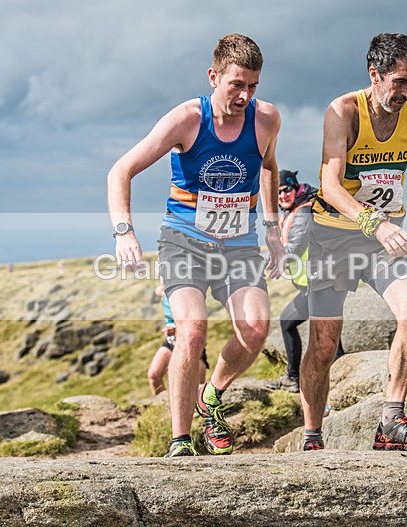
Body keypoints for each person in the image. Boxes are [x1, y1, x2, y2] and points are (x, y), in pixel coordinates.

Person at [108, 34, 284, 457]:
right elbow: (120, 170)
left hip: (239, 244)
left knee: (256, 328)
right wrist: (123, 231)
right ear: (213, 76)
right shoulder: (187, 119)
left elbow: (269, 167)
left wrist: (274, 229)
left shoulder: (266, 119)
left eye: (253, 86)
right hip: (184, 241)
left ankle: (212, 397)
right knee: (191, 330)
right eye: (236, 85)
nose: (245, 95)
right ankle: (180, 440)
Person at [301, 33, 407, 452]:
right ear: (374, 74)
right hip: (334, 237)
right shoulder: (342, 112)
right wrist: (374, 223)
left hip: (385, 238)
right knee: (324, 346)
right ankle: (312, 437)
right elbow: (329, 184)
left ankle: (390, 421)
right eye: (399, 81)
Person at [266, 170, 344, 393]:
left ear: (295, 188)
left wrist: (259, 261)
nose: (282, 196)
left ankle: (295, 378)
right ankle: (329, 381)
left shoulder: (304, 211)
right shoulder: (294, 210)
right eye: (278, 193)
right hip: (316, 283)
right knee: (327, 336)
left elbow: (294, 248)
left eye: (286, 190)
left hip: (319, 283)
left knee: (290, 323)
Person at [147, 280, 208, 396]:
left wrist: (176, 329)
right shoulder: (164, 292)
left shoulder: (188, 291)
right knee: (154, 375)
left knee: (194, 383)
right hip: (171, 341)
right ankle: (162, 405)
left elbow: (196, 322)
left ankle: (199, 407)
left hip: (190, 342)